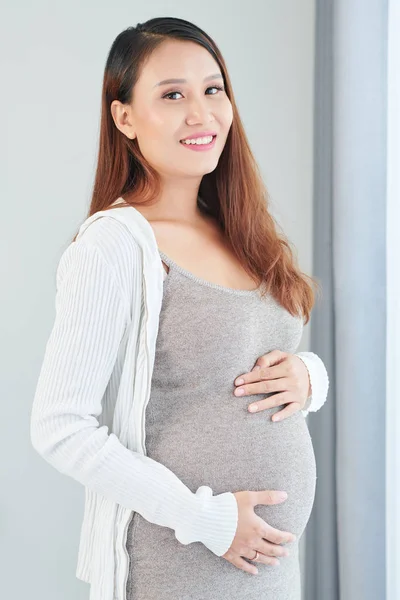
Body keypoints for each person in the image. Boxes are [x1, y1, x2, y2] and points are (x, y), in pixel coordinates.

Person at [30, 17, 329, 600]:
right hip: (185, 565)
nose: (202, 114)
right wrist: (206, 520)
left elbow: (244, 366)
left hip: (269, 569)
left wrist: (308, 378)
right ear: (125, 118)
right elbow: (59, 427)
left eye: (213, 89)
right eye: (173, 95)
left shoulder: (243, 232)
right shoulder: (115, 243)